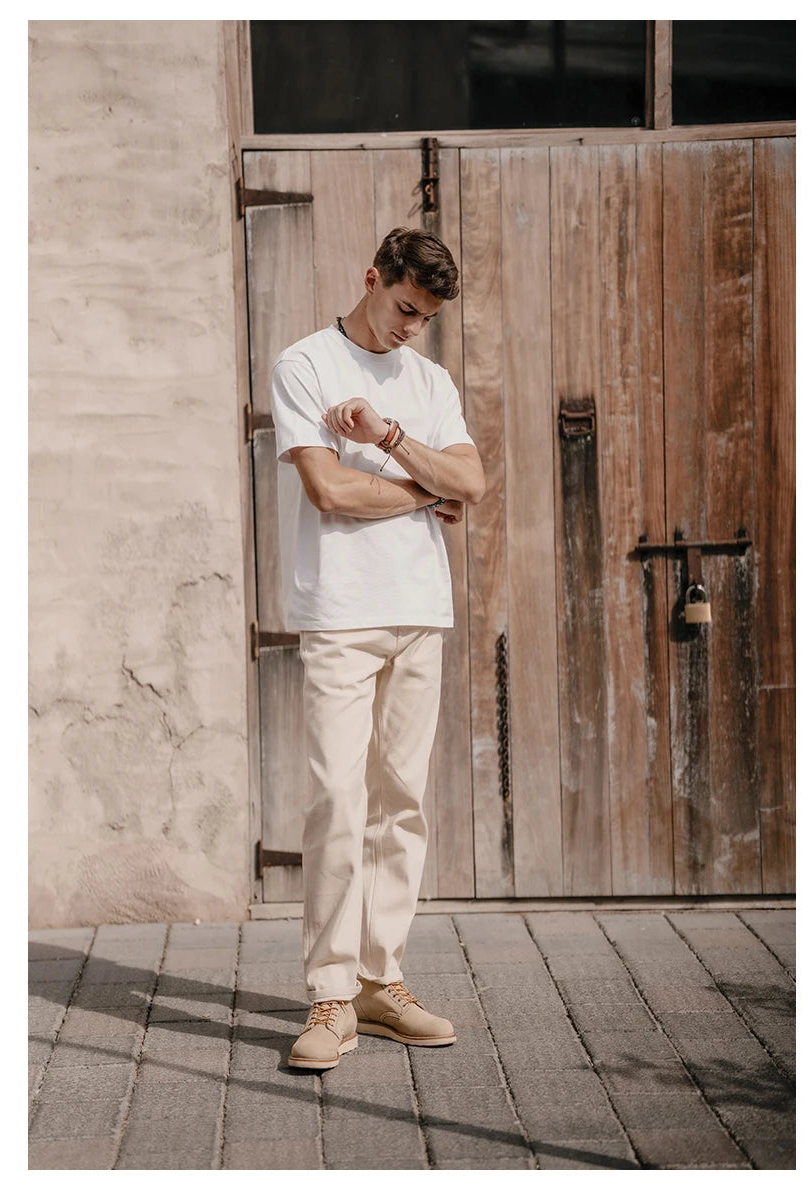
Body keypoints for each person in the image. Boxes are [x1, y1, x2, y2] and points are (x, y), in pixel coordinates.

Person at [270, 226, 485, 1070]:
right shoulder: (306, 365)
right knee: (336, 798)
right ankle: (329, 994)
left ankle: (379, 979)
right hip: (339, 612)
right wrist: (426, 492)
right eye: (403, 307)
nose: (410, 327)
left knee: (402, 802)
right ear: (371, 278)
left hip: (420, 610)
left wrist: (392, 440)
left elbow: (472, 481)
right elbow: (328, 489)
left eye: (424, 317)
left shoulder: (428, 381)